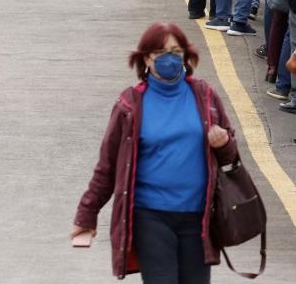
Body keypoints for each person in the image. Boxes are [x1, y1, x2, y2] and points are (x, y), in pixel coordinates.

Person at [73, 22, 237, 282]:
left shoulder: (204, 96)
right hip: (150, 217)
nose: (169, 58)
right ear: (146, 59)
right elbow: (108, 166)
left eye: (175, 50)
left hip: (198, 218)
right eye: (160, 52)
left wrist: (223, 143)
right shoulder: (129, 104)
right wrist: (86, 214)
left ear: (185, 54)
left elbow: (230, 156)